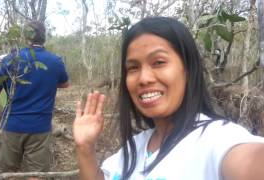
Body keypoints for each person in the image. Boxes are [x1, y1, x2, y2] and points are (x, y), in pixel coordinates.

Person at [72, 16, 264, 180]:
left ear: (188, 70)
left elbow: (250, 163)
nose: (144, 78)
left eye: (159, 62)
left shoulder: (216, 138)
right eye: (133, 67)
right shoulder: (135, 147)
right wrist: (85, 148)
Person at [0, 20, 69, 178]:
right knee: (37, 175)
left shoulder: (10, 59)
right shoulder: (55, 61)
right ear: (44, 37)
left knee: (7, 174)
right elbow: (65, 84)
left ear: (26, 37)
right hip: (40, 127)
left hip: (12, 125)